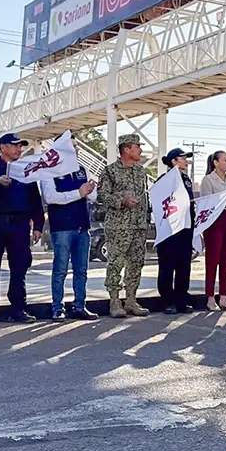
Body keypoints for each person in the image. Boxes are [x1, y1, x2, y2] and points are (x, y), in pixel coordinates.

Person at [0, 133, 45, 326]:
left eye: (21, 146)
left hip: (20, 224)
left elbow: (35, 200)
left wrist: (38, 225)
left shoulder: (25, 170)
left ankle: (18, 309)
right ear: (3, 147)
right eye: (15, 145)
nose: (19, 149)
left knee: (19, 268)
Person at [39, 145, 99, 321]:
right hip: (62, 227)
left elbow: (92, 196)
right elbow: (50, 197)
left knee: (81, 270)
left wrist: (89, 190)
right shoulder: (50, 170)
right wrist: (79, 193)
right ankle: (57, 307)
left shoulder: (82, 169)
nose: (76, 150)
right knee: (60, 269)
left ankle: (79, 305)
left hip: (82, 226)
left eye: (77, 147)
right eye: (72, 147)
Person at [99, 134, 151, 318]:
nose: (140, 150)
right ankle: (114, 301)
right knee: (116, 263)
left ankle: (131, 300)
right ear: (127, 149)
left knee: (136, 263)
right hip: (119, 226)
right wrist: (123, 201)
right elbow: (102, 196)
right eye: (137, 146)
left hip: (138, 225)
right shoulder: (110, 171)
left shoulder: (140, 171)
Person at [156, 148, 195, 315]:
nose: (186, 160)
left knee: (184, 266)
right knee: (167, 267)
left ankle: (182, 301)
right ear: (174, 161)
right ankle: (167, 302)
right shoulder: (164, 180)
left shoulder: (186, 179)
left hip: (185, 229)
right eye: (183, 158)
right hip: (169, 230)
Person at [198, 150, 226, 312]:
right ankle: (210, 297)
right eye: (224, 160)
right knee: (212, 260)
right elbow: (207, 204)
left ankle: (224, 297)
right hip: (215, 222)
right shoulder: (208, 180)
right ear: (215, 162)